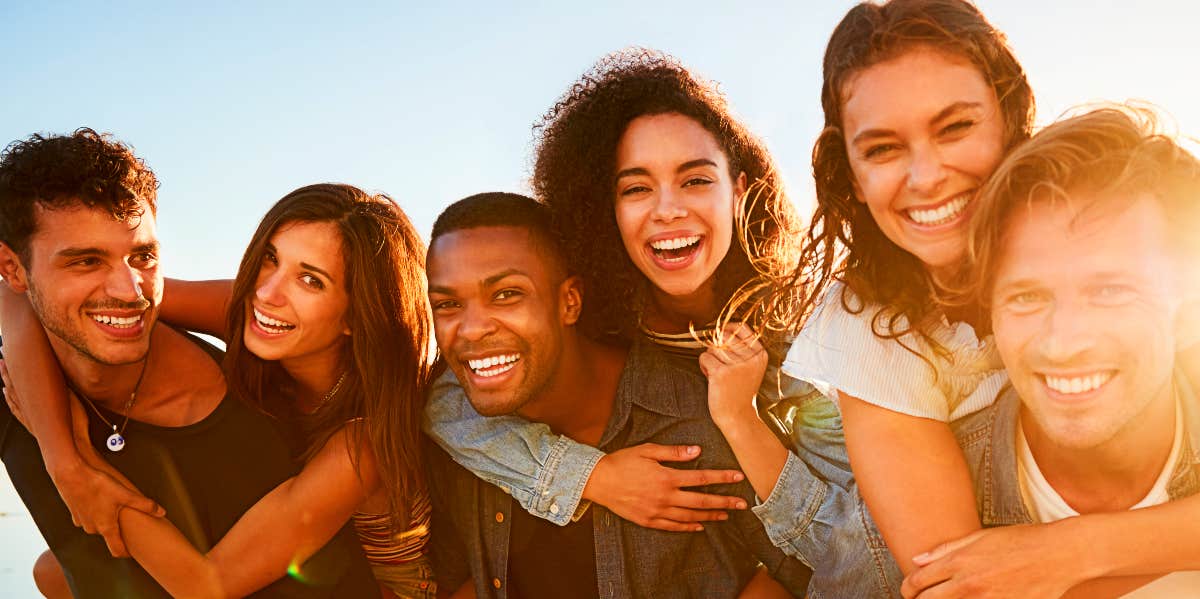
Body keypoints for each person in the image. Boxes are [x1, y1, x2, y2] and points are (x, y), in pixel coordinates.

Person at [736, 1, 1200, 595]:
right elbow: (965, 577)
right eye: (882, 149)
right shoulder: (871, 330)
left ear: (1008, 119)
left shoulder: (1110, 228)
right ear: (851, 174)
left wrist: (1072, 548)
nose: (927, 176)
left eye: (955, 128)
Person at [3, 183, 437, 597]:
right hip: (290, 541)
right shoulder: (248, 309)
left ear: (355, 318)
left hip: (380, 589)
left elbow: (207, 587)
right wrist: (61, 460)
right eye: (270, 258)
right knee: (54, 571)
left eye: (312, 281)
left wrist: (86, 464)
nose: (268, 292)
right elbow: (20, 296)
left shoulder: (364, 442)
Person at [425, 192, 812, 598]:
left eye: (506, 294)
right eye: (448, 303)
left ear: (569, 302)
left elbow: (806, 574)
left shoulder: (698, 418)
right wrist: (592, 477)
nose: (469, 329)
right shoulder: (460, 441)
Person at [902, 108, 1200, 596]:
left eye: (1110, 291)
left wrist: (1077, 549)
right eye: (1026, 297)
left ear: (1187, 312)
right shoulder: (926, 512)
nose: (1062, 343)